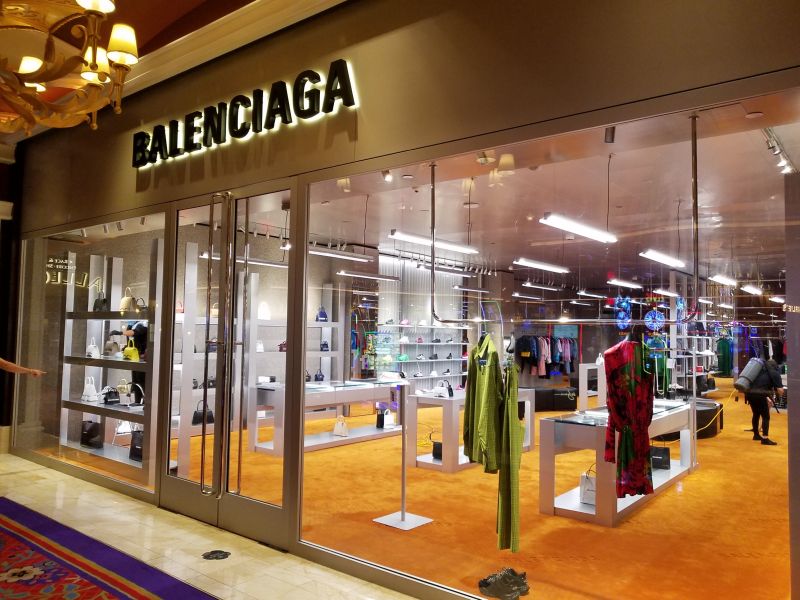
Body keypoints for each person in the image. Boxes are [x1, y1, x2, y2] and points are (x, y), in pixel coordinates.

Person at [745, 358, 784, 446]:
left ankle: (756, 435)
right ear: (776, 366)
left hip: (749, 394)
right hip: (760, 395)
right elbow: (780, 391)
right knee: (766, 416)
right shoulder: (775, 373)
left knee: (756, 414)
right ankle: (765, 439)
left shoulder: (758, 371)